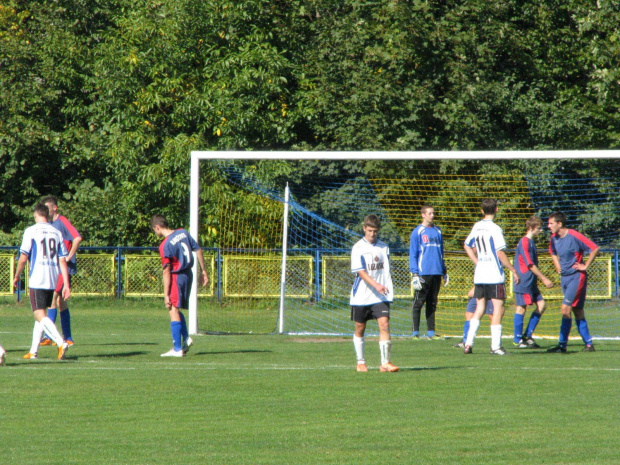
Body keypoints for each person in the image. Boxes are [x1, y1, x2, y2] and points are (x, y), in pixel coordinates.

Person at [14, 203, 71, 360]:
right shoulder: (56, 232)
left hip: (38, 278)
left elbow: (24, 256)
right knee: (41, 314)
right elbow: (63, 260)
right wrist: (66, 284)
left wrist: (17, 275)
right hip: (52, 279)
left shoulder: (31, 231)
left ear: (35, 214)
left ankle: (61, 342)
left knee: (39, 314)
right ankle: (33, 351)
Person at [463, 199, 519, 355]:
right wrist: (513, 269)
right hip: (494, 275)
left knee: (479, 308)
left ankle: (468, 344)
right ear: (497, 209)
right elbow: (500, 253)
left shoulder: (477, 226)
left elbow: (467, 245)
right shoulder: (495, 229)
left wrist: (477, 262)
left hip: (480, 274)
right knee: (497, 309)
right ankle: (496, 347)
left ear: (482, 211)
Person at [151, 214, 209, 357]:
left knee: (172, 307)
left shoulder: (164, 245)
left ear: (157, 227)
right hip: (188, 275)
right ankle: (186, 338)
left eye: (154, 230)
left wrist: (165, 295)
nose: (155, 233)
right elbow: (198, 249)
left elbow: (166, 272)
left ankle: (177, 348)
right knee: (175, 310)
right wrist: (204, 271)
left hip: (177, 276)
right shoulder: (183, 232)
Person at [350, 215, 398, 372]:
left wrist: (384, 286)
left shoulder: (384, 247)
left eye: (375, 231)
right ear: (364, 228)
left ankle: (385, 363)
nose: (372, 234)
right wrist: (376, 285)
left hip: (380, 295)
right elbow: (361, 272)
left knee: (384, 324)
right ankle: (360, 362)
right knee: (360, 327)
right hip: (361, 295)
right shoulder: (358, 248)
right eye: (369, 230)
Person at [546, 212, 599, 352]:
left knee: (565, 309)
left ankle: (562, 345)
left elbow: (594, 248)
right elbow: (552, 252)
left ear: (559, 224)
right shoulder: (554, 238)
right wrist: (557, 265)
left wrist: (585, 265)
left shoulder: (574, 235)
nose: (548, 226)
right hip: (565, 277)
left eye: (551, 223)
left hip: (577, 276)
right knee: (578, 310)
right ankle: (588, 343)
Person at [39, 195, 82, 346]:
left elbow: (77, 237)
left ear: (54, 208)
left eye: (47, 208)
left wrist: (69, 256)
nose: (45, 212)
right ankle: (67, 337)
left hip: (63, 267)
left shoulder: (62, 221)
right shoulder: (49, 224)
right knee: (60, 301)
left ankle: (50, 336)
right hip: (55, 267)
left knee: (53, 298)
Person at [512, 216, 554, 348]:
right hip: (523, 280)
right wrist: (544, 278)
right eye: (539, 228)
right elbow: (529, 264)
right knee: (521, 307)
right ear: (531, 228)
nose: (541, 231)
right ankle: (517, 339)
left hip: (531, 282)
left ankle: (527, 336)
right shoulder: (524, 242)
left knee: (542, 305)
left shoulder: (531, 242)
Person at [409, 205, 448, 339]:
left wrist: (444, 270)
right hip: (423, 273)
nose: (432, 215)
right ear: (423, 215)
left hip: (436, 272)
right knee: (419, 302)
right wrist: (414, 273)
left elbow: (441, 252)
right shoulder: (418, 231)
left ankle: (431, 332)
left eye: (433, 213)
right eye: (430, 213)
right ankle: (415, 333)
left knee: (432, 302)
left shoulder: (438, 231)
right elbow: (413, 254)